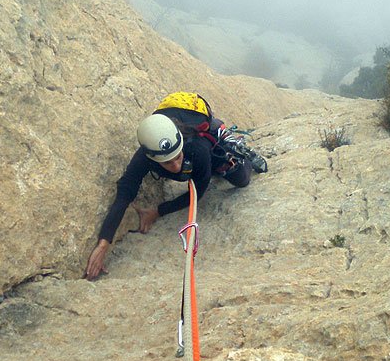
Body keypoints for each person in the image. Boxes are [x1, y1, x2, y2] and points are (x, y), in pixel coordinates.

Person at [84, 93, 266, 279]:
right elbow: (125, 192)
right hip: (188, 150)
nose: (176, 166)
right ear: (152, 158)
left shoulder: (198, 149)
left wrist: (159, 211)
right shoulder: (145, 156)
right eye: (168, 163)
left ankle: (234, 145)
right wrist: (103, 244)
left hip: (205, 150)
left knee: (241, 179)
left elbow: (198, 191)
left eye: (177, 158)